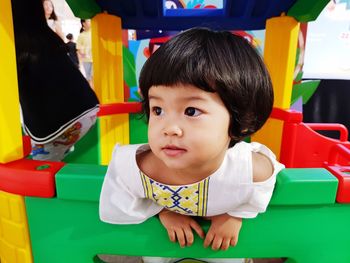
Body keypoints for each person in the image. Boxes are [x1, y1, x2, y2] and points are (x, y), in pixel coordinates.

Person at [99, 28, 284, 263]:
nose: (169, 128)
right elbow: (122, 190)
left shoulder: (248, 169)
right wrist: (163, 212)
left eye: (191, 111)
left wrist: (235, 215)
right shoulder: (140, 168)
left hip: (218, 240)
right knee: (152, 252)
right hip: (167, 238)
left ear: (240, 119)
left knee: (230, 254)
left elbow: (266, 181)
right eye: (158, 110)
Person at [12, 0, 99, 161]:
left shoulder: (15, 46)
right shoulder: (46, 36)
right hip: (87, 109)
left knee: (41, 172)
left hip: (56, 126)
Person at [77, 19, 93, 88]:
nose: (90, 22)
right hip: (86, 60)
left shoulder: (94, 33)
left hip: (95, 59)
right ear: (83, 23)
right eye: (88, 21)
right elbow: (78, 47)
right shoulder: (81, 35)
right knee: (88, 77)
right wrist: (83, 55)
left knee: (93, 76)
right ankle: (91, 91)